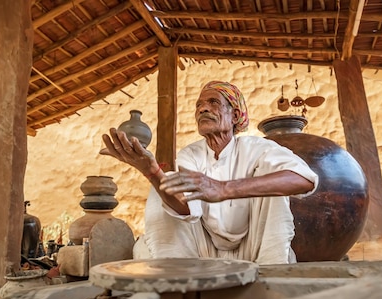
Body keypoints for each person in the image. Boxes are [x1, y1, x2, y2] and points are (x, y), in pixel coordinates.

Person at [100, 81, 318, 264]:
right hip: (203, 255)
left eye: (213, 102)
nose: (203, 108)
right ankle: (179, 279)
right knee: (163, 186)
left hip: (257, 250)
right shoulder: (191, 154)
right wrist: (151, 172)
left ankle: (272, 275)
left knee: (272, 176)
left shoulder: (257, 147)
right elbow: (184, 208)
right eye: (199, 105)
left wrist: (224, 188)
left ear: (234, 116)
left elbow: (304, 180)